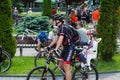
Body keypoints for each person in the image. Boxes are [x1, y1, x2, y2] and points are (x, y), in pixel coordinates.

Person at [47, 14, 74, 80]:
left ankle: (68, 75)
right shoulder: (60, 28)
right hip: (65, 48)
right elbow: (56, 38)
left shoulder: (63, 27)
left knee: (66, 67)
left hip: (70, 48)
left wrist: (55, 49)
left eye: (54, 21)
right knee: (60, 65)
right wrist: (49, 46)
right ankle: (69, 76)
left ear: (58, 21)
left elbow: (60, 39)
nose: (53, 22)